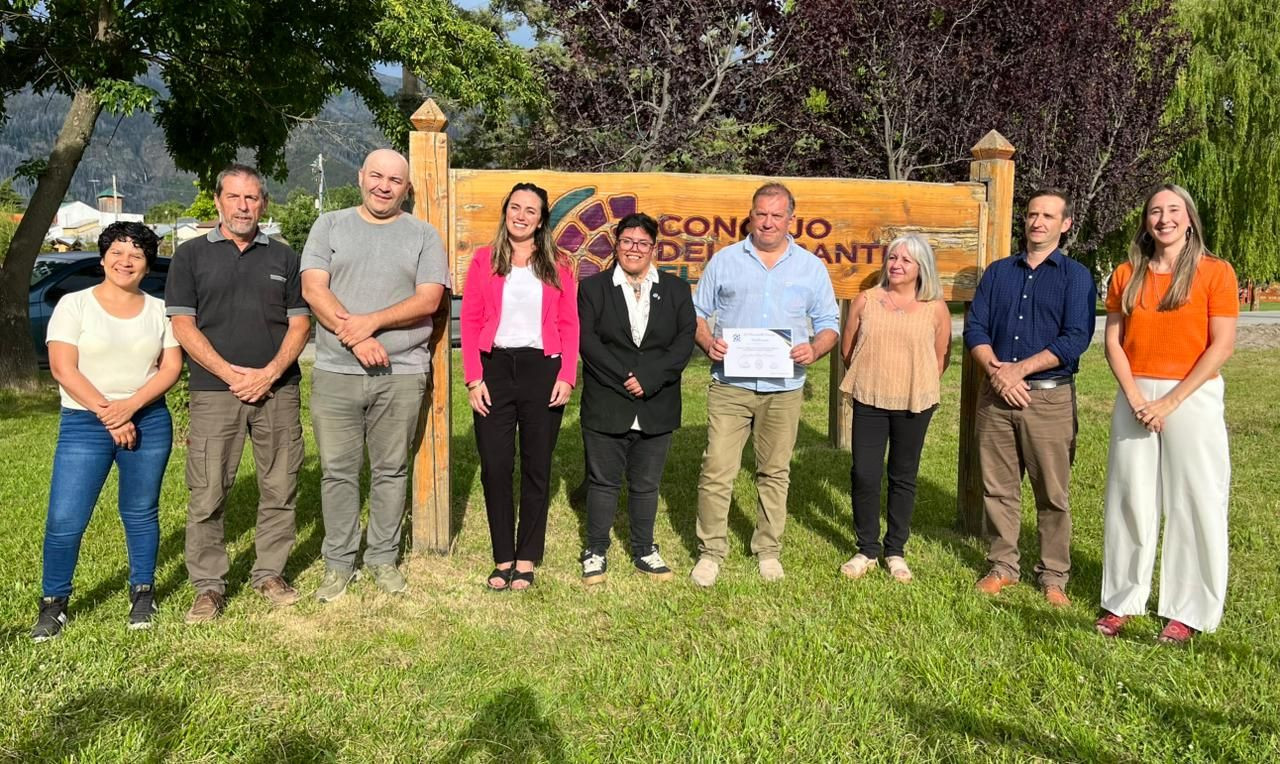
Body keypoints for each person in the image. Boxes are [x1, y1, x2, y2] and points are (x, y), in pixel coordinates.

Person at [302, 149, 450, 601]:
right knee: (338, 471)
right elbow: (313, 288)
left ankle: (382, 558)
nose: (384, 186)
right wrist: (356, 338)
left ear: (407, 189)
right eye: (377, 176)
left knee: (391, 469)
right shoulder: (329, 225)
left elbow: (429, 299)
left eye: (395, 180)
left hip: (401, 372)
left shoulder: (423, 235)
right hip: (336, 371)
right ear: (361, 177)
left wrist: (372, 323)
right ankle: (339, 563)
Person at [166, 164, 311, 623]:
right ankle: (208, 586)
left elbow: (301, 324)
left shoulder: (284, 257)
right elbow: (183, 325)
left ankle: (270, 573)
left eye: (252, 198)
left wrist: (269, 374)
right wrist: (230, 374)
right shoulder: (190, 256)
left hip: (278, 390)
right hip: (215, 391)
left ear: (263, 204)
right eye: (234, 197)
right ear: (218, 201)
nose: (243, 206)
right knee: (208, 490)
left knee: (281, 485)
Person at [1095, 184, 1238, 644]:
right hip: (1135, 393)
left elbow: (1222, 345)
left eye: (1174, 210)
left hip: (1192, 395)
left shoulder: (1215, 272)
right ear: (1146, 221)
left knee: (1194, 499)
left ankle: (1188, 610)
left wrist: (1170, 402)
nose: (1164, 218)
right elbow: (1113, 342)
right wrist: (1138, 399)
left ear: (1189, 219)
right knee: (1129, 496)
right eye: (1155, 211)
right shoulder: (1127, 274)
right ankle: (1122, 600)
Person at [32, 222, 183, 641]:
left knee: (140, 511)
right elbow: (63, 368)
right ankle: (54, 603)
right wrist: (110, 415)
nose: (125, 261)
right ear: (102, 259)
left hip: (147, 419)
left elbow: (170, 368)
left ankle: (143, 592)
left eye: (136, 254)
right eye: (117, 252)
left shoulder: (160, 311)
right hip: (85, 422)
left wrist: (129, 408)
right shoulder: (74, 305)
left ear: (147, 265)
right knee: (66, 517)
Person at [690, 182, 840, 586]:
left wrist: (815, 349)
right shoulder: (725, 261)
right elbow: (697, 312)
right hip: (730, 385)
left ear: (791, 219)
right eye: (761, 214)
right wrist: (707, 342)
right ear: (751, 216)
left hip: (784, 389)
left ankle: (768, 550)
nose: (768, 222)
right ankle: (710, 551)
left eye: (777, 215)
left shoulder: (810, 267)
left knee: (774, 471)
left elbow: (829, 323)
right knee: (717, 468)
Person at [963, 188, 1097, 607]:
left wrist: (1017, 370)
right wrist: (998, 373)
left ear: (1066, 224)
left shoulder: (1076, 277)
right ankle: (1003, 565)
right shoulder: (999, 273)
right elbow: (975, 328)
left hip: (1048, 400)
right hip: (996, 396)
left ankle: (1053, 575)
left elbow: (1075, 339)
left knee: (1052, 494)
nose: (1037, 222)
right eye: (1032, 214)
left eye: (1048, 216)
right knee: (998, 489)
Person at [460, 182, 578, 591]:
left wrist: (567, 375)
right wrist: (473, 377)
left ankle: (526, 556)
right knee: (495, 466)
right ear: (506, 211)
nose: (522, 215)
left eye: (531, 210)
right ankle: (502, 556)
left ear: (542, 220)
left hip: (542, 369)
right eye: (515, 207)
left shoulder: (558, 263)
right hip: (493, 369)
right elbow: (470, 320)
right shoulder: (483, 260)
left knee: (536, 465)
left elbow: (569, 322)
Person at [576, 212, 696, 585]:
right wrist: (627, 377)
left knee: (647, 483)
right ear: (616, 245)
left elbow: (684, 340)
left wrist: (650, 379)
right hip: (608, 398)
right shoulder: (593, 288)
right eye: (627, 241)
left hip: (657, 401)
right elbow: (588, 342)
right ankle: (596, 550)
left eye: (642, 243)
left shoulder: (676, 290)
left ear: (653, 248)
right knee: (603, 482)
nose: (634, 249)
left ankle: (644, 549)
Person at [837, 235, 951, 583]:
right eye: (892, 258)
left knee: (903, 475)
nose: (896, 265)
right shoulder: (866, 300)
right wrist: (877, 376)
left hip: (914, 402)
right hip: (870, 399)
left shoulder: (935, 308)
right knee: (865, 473)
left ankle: (895, 550)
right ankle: (867, 548)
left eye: (906, 260)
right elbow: (848, 349)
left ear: (921, 268)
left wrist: (911, 381)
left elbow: (940, 357)